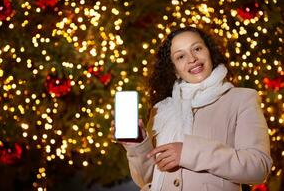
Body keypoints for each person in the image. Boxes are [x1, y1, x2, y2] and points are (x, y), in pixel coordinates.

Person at [111, 26, 272, 191]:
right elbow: (147, 178)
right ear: (175, 70)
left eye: (197, 48)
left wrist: (188, 152)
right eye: (180, 56)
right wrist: (138, 145)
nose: (192, 58)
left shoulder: (241, 99)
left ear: (209, 52)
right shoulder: (161, 110)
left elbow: (258, 167)